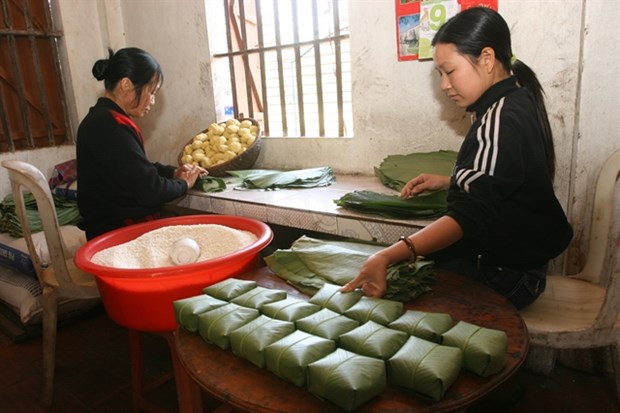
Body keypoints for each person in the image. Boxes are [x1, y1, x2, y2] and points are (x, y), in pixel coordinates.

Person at [342, 7, 573, 309]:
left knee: (408, 296)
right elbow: (507, 178)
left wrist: (390, 253)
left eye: (450, 71)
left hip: (509, 276)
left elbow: (469, 215)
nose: (444, 85)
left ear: (487, 60)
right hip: (522, 266)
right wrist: (449, 181)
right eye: (440, 74)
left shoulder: (499, 118)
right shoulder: (515, 99)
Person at [76, 47, 206, 240]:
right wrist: (184, 183)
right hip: (116, 237)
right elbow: (150, 191)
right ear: (126, 85)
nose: (152, 101)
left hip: (108, 230)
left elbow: (132, 169)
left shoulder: (99, 118)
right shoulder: (112, 126)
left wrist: (172, 172)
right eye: (151, 92)